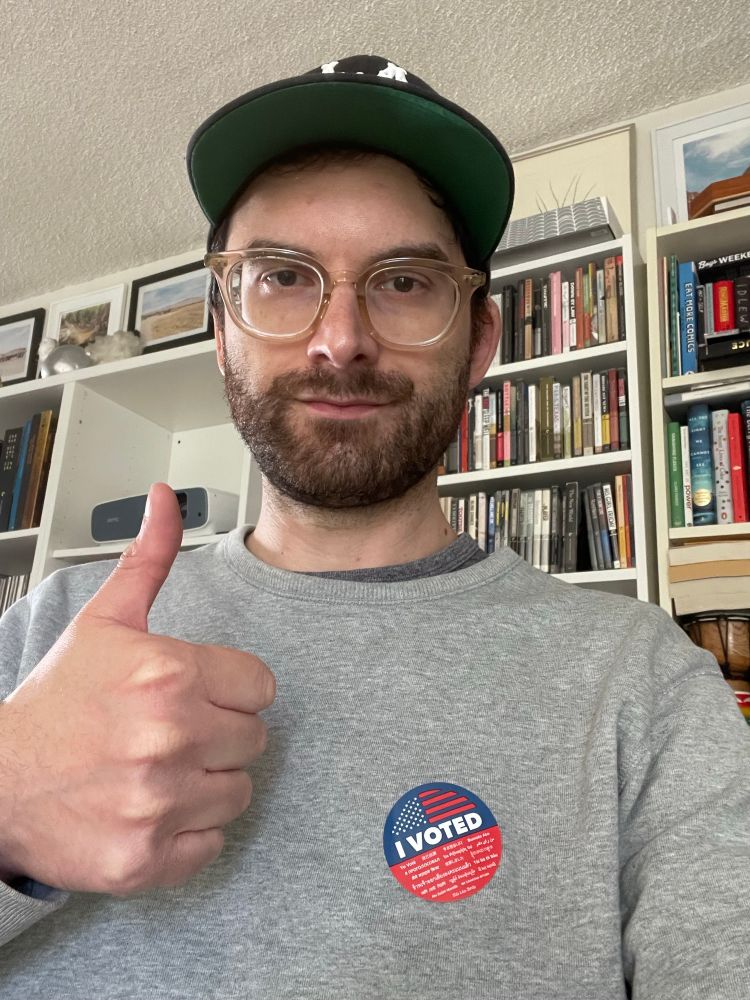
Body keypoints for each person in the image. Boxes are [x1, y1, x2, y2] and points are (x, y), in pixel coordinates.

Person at [0, 54, 748, 1000]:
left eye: (402, 282)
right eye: (281, 276)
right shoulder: (46, 634)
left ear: (479, 340)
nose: (340, 337)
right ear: (223, 330)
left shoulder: (638, 680)